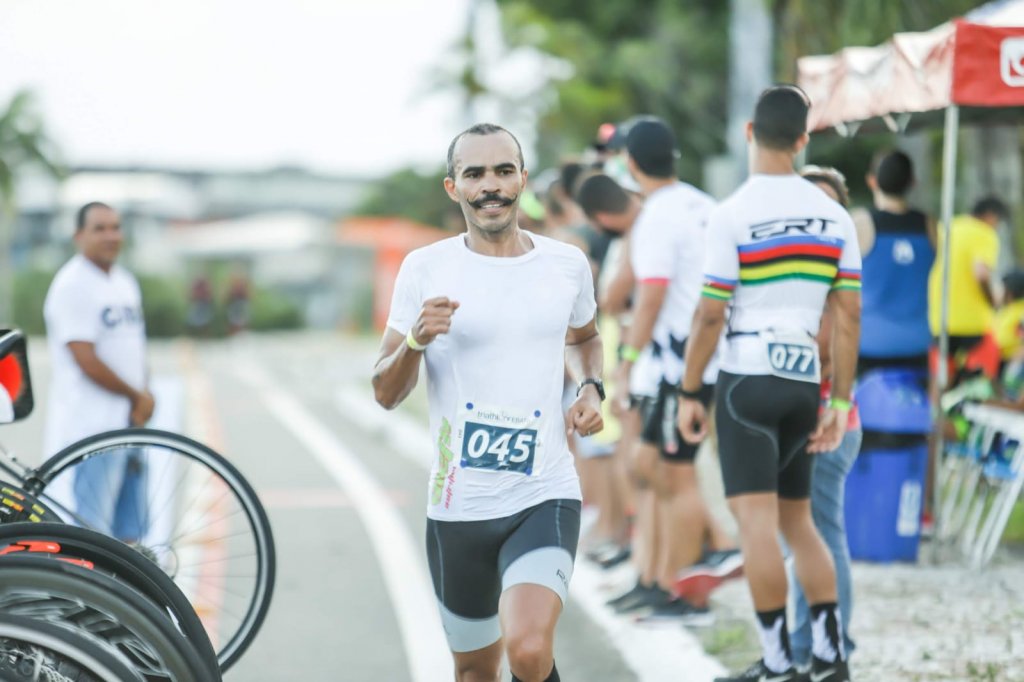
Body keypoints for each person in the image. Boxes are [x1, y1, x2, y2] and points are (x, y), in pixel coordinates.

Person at [372, 123, 604, 682]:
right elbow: (384, 390)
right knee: (476, 670)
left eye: (503, 171)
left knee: (527, 650)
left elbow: (585, 339)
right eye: (474, 174)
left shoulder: (565, 265)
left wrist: (591, 387)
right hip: (459, 508)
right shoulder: (425, 269)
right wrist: (416, 340)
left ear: (523, 179)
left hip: (542, 492)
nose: (491, 186)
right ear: (454, 188)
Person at [678, 86, 859, 682]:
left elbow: (710, 313)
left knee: (756, 525)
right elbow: (850, 317)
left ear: (750, 132)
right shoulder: (834, 216)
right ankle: (833, 657)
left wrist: (688, 389)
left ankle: (780, 662)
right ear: (804, 140)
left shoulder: (730, 213)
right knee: (799, 523)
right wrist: (838, 401)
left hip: (746, 381)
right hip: (805, 383)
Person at [609, 118, 737, 622]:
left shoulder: (656, 215)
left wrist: (626, 360)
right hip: (703, 356)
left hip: (682, 362)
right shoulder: (705, 204)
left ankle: (686, 593)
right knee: (659, 473)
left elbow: (651, 294)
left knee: (676, 477)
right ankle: (659, 580)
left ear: (632, 164)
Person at [43, 202, 155, 540]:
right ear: (79, 236)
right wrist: (136, 394)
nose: (111, 235)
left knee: (130, 534)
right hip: (91, 429)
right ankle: (90, 595)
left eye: (116, 227)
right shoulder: (72, 284)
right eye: (100, 228)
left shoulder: (124, 281)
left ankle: (130, 595)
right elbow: (84, 358)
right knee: (95, 534)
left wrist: (144, 394)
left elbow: (134, 348)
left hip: (129, 423)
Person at [786, 165, 861, 666]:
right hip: (803, 419)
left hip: (827, 422)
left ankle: (822, 645)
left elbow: (828, 352)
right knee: (803, 534)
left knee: (818, 533)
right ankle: (807, 642)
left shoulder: (834, 274)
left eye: (827, 204)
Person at [850, 150, 935, 374]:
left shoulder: (860, 223)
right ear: (913, 182)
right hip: (917, 342)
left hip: (871, 343)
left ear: (871, 180)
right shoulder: (929, 226)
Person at [928, 196, 1009, 385]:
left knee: (943, 384)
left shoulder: (945, 227)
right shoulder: (985, 233)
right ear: (990, 216)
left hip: (939, 320)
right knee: (978, 386)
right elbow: (981, 272)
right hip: (974, 324)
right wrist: (993, 301)